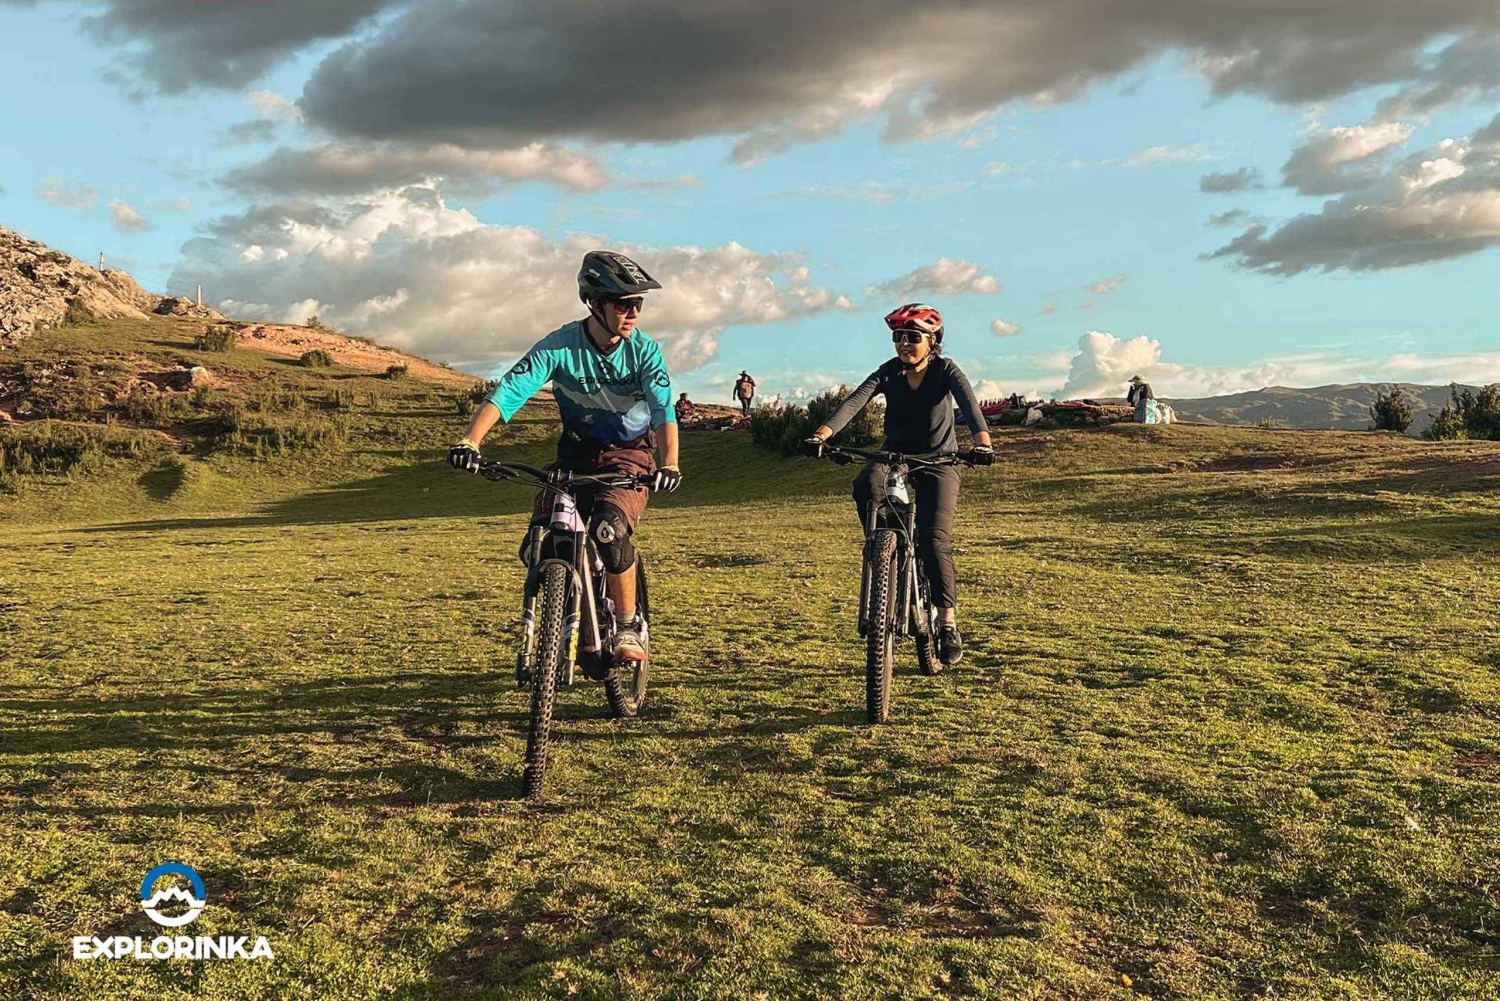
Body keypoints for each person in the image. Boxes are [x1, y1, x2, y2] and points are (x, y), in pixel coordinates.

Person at [448, 251, 681, 662]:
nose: (633, 313)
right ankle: (566, 602)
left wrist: (670, 464)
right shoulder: (559, 346)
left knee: (608, 531)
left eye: (638, 304)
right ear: (594, 304)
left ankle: (627, 625)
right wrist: (470, 442)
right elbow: (510, 391)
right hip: (575, 453)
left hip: (629, 454)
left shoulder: (645, 351)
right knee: (540, 541)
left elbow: (664, 411)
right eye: (623, 304)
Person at [802, 303, 994, 667]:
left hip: (940, 461)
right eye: (898, 337)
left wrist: (982, 443)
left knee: (934, 541)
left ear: (932, 341)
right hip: (895, 457)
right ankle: (886, 551)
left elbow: (969, 406)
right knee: (866, 483)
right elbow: (855, 401)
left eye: (913, 337)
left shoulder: (945, 370)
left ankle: (947, 623)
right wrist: (821, 435)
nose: (904, 344)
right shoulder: (889, 372)